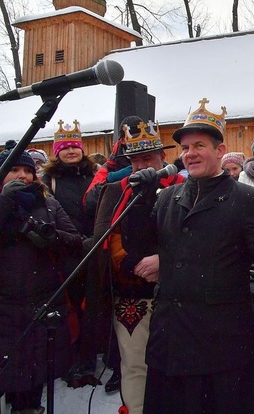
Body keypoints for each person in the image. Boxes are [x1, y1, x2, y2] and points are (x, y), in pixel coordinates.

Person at [131, 98, 254, 414]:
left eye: (199, 145)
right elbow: (140, 246)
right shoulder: (167, 199)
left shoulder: (245, 200)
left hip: (221, 343)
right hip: (171, 340)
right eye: (185, 147)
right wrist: (141, 198)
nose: (190, 153)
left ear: (219, 150)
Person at [88, 117, 183, 414]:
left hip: (179, 293)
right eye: (136, 160)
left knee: (177, 365)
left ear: (162, 158)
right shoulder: (116, 189)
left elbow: (198, 236)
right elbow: (106, 236)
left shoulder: (184, 187)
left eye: (148, 158)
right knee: (135, 365)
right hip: (132, 294)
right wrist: (130, 263)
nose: (142, 166)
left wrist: (165, 263)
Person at [0, 141, 83, 414]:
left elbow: (76, 242)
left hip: (41, 303)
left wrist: (50, 237)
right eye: (14, 169)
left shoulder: (47, 202)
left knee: (33, 379)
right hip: (4, 307)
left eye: (27, 170)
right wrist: (5, 204)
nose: (22, 176)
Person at [40, 120, 101, 389]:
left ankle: (90, 357)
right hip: (66, 251)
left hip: (96, 248)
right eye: (65, 148)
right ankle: (72, 358)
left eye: (75, 147)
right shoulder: (49, 181)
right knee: (71, 307)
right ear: (58, 152)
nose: (71, 152)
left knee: (94, 305)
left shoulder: (95, 175)